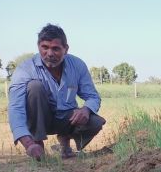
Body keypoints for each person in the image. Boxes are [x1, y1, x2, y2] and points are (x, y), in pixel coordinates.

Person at [8, 24, 105, 161]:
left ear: (66, 49)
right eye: (45, 47)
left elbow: (93, 96)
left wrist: (86, 109)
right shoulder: (25, 69)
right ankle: (37, 143)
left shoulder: (77, 65)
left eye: (56, 48)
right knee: (35, 87)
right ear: (38, 46)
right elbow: (15, 108)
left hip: (66, 118)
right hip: (39, 118)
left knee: (95, 122)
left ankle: (65, 142)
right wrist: (28, 144)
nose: (50, 54)